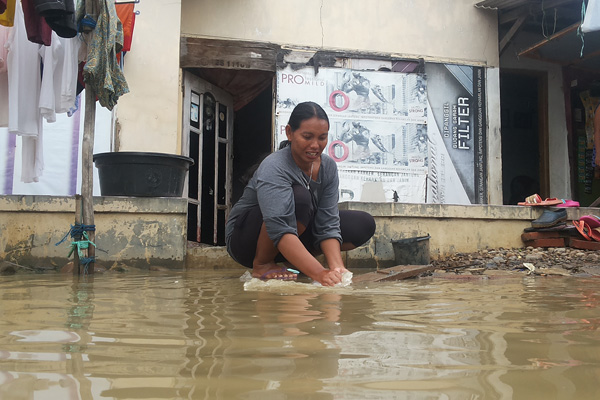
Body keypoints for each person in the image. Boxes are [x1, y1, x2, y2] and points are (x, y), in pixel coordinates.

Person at [225, 101, 376, 286]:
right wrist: (320, 273)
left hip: (290, 234)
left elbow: (328, 220)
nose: (315, 145)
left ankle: (294, 261)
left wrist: (337, 268)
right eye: (307, 136)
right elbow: (279, 227)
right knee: (300, 199)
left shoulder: (328, 167)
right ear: (289, 132)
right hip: (245, 240)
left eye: (322, 138)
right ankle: (263, 265)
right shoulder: (275, 166)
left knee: (363, 224)